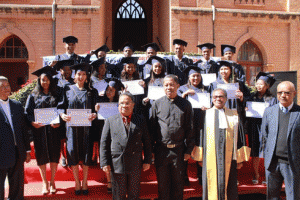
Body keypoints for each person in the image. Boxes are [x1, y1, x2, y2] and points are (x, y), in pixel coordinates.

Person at [193, 88, 250, 200]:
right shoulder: (205, 114)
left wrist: (240, 158)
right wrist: (200, 157)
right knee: (210, 185)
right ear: (212, 99)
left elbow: (240, 136)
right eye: (215, 97)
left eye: (221, 97)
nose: (218, 99)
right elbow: (200, 135)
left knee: (230, 187)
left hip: (230, 157)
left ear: (226, 99)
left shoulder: (234, 114)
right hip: (210, 157)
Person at [100, 92, 152, 200]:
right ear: (118, 105)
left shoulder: (140, 119)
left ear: (133, 104)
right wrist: (104, 162)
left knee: (134, 194)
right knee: (119, 195)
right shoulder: (110, 120)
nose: (124, 105)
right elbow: (104, 143)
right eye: (121, 103)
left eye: (127, 103)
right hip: (117, 163)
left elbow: (147, 141)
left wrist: (147, 160)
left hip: (135, 162)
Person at [150, 74, 194, 199]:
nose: (169, 87)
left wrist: (188, 150)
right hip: (161, 150)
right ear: (163, 87)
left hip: (179, 151)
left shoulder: (185, 104)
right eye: (166, 85)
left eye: (172, 84)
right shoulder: (157, 104)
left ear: (178, 86)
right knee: (162, 186)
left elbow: (189, 128)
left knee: (178, 185)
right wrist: (152, 150)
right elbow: (152, 128)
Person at [57, 63, 98, 195]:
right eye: (79, 74)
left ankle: (85, 182)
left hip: (86, 129)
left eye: (84, 74)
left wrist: (95, 114)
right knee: (73, 151)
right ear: (75, 75)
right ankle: (76, 182)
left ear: (87, 77)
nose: (81, 77)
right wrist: (62, 115)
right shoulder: (67, 89)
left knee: (86, 153)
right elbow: (60, 107)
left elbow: (96, 109)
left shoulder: (91, 92)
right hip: (72, 128)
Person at [24, 66, 61, 195]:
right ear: (39, 81)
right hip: (39, 132)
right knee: (41, 156)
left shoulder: (56, 94)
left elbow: (61, 110)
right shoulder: (33, 95)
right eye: (42, 80)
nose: (45, 82)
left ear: (51, 80)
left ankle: (52, 181)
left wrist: (59, 122)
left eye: (47, 80)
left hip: (53, 131)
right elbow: (27, 113)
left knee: (54, 156)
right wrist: (32, 123)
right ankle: (44, 181)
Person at [262, 81, 300, 200]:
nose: (283, 95)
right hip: (272, 164)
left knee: (292, 196)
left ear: (294, 93)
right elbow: (264, 136)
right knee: (272, 197)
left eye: (287, 93)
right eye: (280, 92)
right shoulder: (269, 111)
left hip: (292, 164)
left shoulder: (299, 112)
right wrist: (267, 156)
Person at [178, 66, 211, 186]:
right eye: (193, 76)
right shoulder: (182, 88)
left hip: (201, 122)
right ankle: (184, 176)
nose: (195, 78)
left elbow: (212, 104)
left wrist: (208, 108)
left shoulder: (205, 89)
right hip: (187, 122)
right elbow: (176, 103)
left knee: (201, 147)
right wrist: (185, 94)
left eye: (198, 76)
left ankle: (201, 175)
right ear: (189, 77)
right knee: (186, 148)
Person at [0, 76, 31, 200]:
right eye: (2, 86)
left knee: (17, 184)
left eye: (7, 85)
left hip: (17, 151)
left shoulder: (17, 105)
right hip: (1, 152)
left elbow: (24, 130)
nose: (6, 88)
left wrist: (27, 150)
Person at [245, 72, 277, 185]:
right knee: (255, 152)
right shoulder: (251, 97)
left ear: (267, 86)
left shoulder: (272, 99)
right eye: (257, 84)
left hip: (267, 128)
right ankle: (256, 174)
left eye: (261, 84)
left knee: (267, 151)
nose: (258, 86)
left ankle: (267, 175)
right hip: (254, 126)